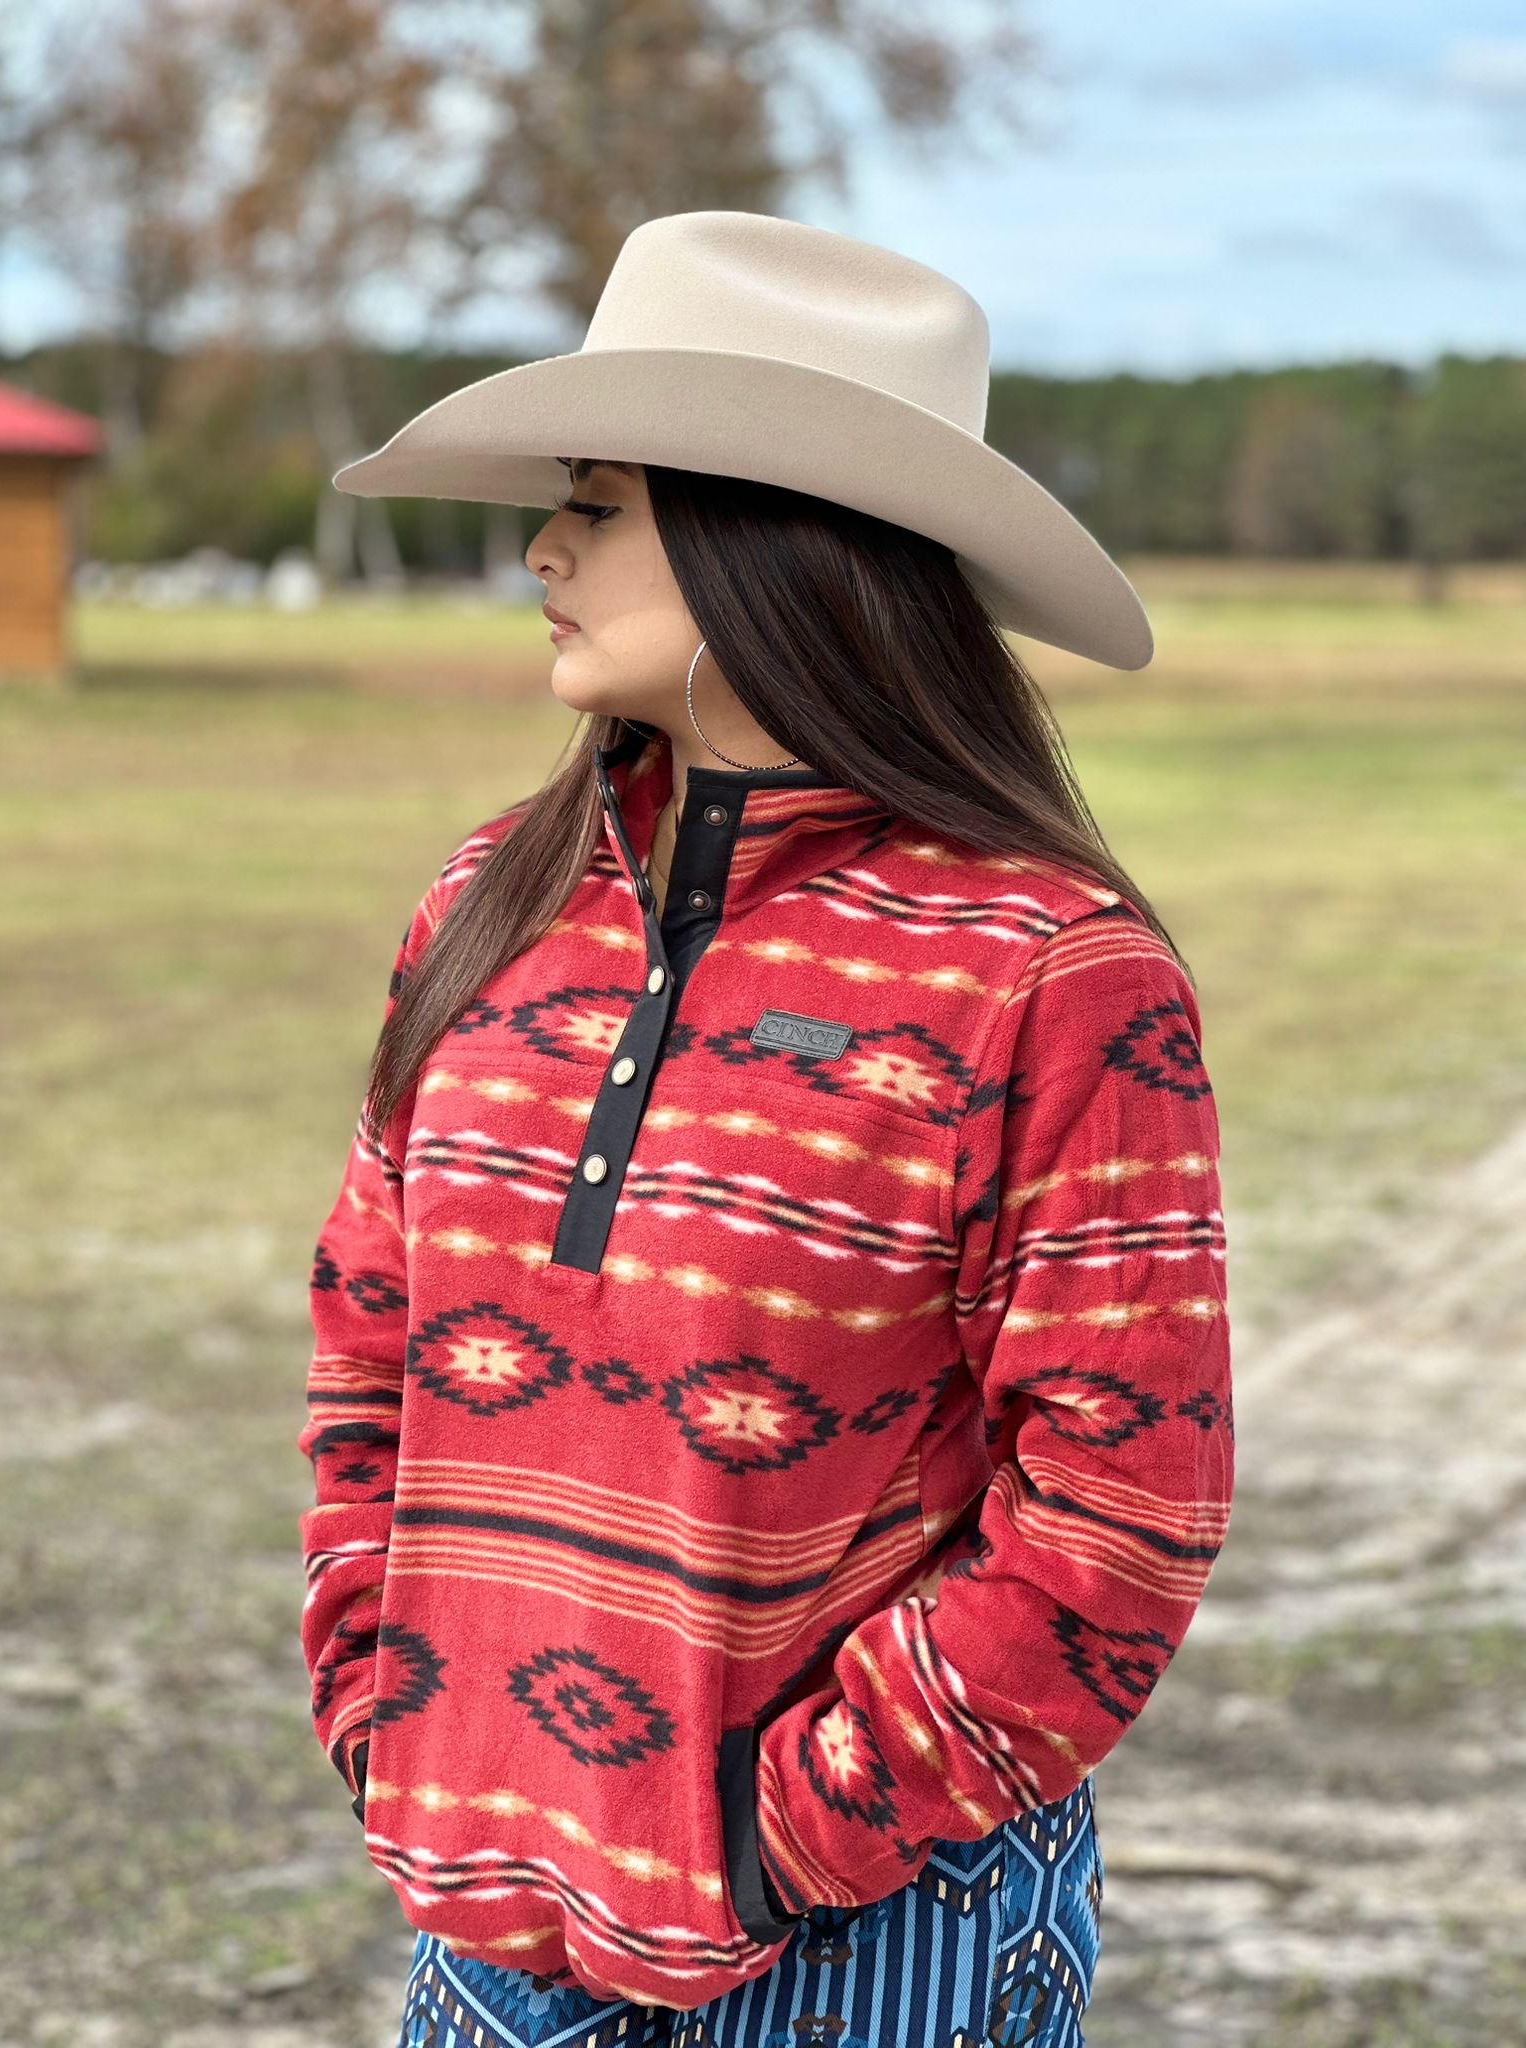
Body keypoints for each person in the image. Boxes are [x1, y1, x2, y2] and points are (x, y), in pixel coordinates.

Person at [298, 211, 1234, 2048]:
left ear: (785, 542)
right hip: (491, 1901)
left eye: (605, 499)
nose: (547, 547)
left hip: (877, 1929)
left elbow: (1125, 1509)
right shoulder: (489, 899)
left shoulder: (1049, 969)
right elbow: (365, 1347)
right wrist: (381, 1697)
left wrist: (778, 1830)